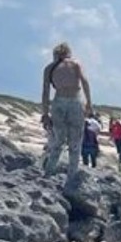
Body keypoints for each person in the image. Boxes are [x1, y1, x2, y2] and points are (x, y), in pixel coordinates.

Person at [40, 42, 92, 174]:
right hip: (75, 101)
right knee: (75, 143)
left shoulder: (49, 68)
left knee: (58, 141)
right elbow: (85, 82)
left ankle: (49, 171)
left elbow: (45, 92)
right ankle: (72, 174)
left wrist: (45, 113)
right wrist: (89, 103)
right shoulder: (75, 64)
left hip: (58, 102)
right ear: (68, 53)